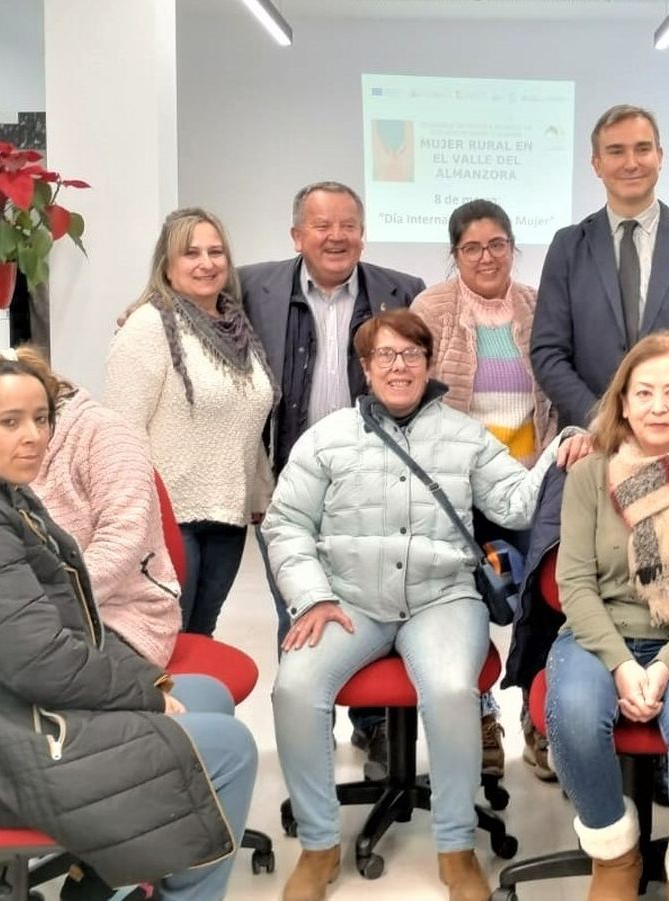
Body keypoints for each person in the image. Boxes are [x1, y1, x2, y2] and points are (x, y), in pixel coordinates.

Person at [0, 350, 258, 900]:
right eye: (10, 422)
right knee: (232, 748)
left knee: (206, 696)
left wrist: (149, 686)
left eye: (41, 419)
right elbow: (41, 661)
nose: (33, 437)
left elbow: (72, 623)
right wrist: (142, 691)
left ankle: (106, 879)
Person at [264, 309, 588, 901]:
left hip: (444, 598)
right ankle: (318, 845)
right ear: (364, 369)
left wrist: (561, 445)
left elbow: (516, 505)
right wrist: (310, 596)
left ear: (429, 363)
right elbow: (284, 524)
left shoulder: (463, 435)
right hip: (351, 600)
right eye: (384, 356)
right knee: (294, 687)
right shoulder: (327, 438)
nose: (399, 366)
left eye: (410, 354)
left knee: (447, 690)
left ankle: (456, 846)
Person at [544, 331, 669, 900]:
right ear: (623, 402)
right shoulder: (590, 475)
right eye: (644, 393)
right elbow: (576, 584)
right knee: (574, 715)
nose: (658, 407)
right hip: (599, 635)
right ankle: (614, 854)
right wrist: (618, 664)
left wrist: (662, 667)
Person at [241, 181, 427, 774]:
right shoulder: (252, 286)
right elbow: (185, 300)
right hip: (289, 483)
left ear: (363, 232)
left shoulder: (403, 292)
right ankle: (308, 738)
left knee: (369, 604)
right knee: (298, 609)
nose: (336, 236)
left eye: (348, 224)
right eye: (322, 226)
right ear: (297, 235)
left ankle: (374, 730)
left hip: (372, 487)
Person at [0, 349, 182, 667]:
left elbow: (124, 538)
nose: (30, 435)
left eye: (37, 420)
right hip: (29, 613)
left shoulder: (103, 433)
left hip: (118, 616)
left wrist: (36, 604)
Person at [410, 197, 558, 779]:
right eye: (471, 247)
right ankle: (480, 713)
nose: (486, 256)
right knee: (465, 606)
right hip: (460, 493)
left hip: (531, 484)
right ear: (455, 255)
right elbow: (417, 394)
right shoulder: (434, 308)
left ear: (513, 246)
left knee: (540, 605)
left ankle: (539, 723)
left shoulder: (536, 306)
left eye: (497, 243)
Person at [106, 207, 276, 640]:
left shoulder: (238, 327)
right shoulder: (148, 326)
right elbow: (124, 431)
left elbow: (245, 417)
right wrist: (138, 514)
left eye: (216, 251)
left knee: (201, 634)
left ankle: (199, 709)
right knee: (165, 637)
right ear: (167, 264)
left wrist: (259, 491)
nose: (207, 263)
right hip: (168, 517)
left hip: (228, 515)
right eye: (191, 253)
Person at [531, 104, 669, 429]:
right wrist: (601, 418)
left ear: (660, 156)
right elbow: (548, 351)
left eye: (642, 149)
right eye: (616, 152)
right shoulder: (568, 247)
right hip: (593, 440)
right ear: (596, 164)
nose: (631, 163)